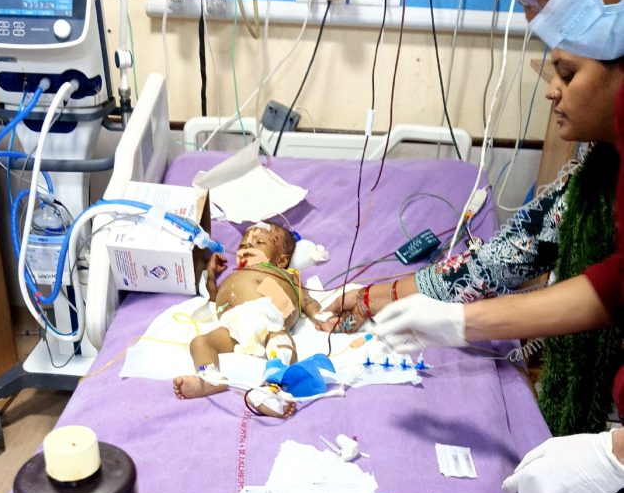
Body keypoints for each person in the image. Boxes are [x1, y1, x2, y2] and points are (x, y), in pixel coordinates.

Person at [372, 0, 624, 493]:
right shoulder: (601, 159)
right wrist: (461, 321)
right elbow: (615, 281)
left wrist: (615, 455)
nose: (534, 11)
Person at [319, 50, 623, 441]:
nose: (551, 90)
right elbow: (504, 258)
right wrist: (373, 297)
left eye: (567, 74)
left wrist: (462, 322)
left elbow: (607, 291)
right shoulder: (596, 172)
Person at [173, 222, 322, 417]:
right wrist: (211, 275)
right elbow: (213, 298)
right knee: (200, 342)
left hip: (270, 320)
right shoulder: (236, 275)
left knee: (282, 345)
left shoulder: (286, 275)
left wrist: (320, 316)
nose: (249, 246)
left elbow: (306, 300)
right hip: (233, 325)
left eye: (259, 242)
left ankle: (271, 389)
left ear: (282, 260)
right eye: (243, 245)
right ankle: (210, 377)